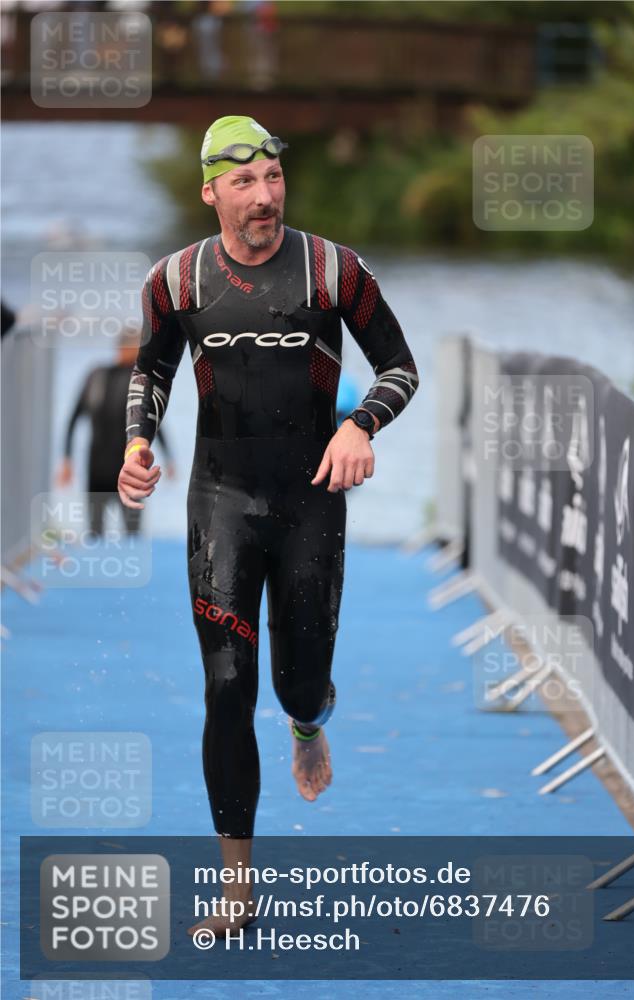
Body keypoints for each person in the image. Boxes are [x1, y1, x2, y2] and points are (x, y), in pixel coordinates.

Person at [118, 116, 419, 936]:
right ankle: (238, 888)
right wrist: (138, 443)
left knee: (294, 682)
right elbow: (150, 369)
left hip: (310, 496)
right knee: (225, 688)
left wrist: (360, 425)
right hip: (220, 499)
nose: (264, 198)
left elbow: (399, 366)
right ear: (211, 190)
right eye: (244, 183)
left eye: (273, 179)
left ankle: (308, 719)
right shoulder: (174, 281)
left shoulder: (333, 270)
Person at [57, 327, 175, 536]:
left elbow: (154, 422)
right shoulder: (97, 377)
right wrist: (67, 460)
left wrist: (169, 458)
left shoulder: (133, 381)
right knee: (96, 531)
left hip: (129, 468)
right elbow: (74, 419)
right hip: (99, 469)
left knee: (132, 532)